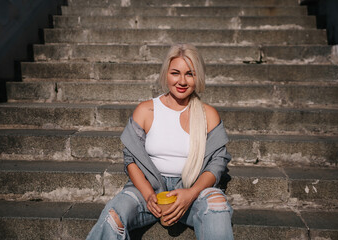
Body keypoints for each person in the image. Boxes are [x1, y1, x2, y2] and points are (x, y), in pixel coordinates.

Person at [86, 43, 234, 240]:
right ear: (166, 74)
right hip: (147, 190)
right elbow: (130, 160)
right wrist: (148, 196)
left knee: (217, 205)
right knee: (114, 214)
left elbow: (217, 163)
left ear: (198, 77)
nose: (182, 81)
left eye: (190, 74)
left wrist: (190, 193)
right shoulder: (146, 111)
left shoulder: (209, 115)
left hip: (192, 190)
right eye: (175, 73)